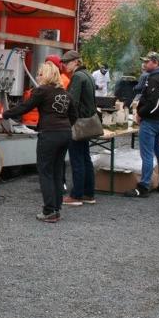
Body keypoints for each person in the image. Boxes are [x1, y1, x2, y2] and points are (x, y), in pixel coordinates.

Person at [0, 61, 76, 222]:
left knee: (45, 171)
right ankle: (56, 208)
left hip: (49, 134)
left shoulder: (42, 91)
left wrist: (4, 115)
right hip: (65, 133)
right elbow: (74, 115)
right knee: (57, 172)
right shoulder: (66, 94)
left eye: (39, 74)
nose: (37, 77)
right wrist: (64, 126)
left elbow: (25, 107)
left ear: (45, 75)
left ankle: (49, 211)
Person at [125, 52, 159, 198]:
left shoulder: (154, 79)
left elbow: (153, 103)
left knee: (147, 154)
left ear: (155, 63)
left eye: (147, 62)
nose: (144, 64)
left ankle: (144, 186)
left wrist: (140, 114)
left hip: (151, 122)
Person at [61, 50, 97, 206]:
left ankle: (76, 195)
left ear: (76, 61)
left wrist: (66, 120)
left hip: (78, 123)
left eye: (67, 62)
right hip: (88, 122)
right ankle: (89, 194)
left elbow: (72, 102)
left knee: (77, 160)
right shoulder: (88, 75)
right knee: (85, 158)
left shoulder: (77, 77)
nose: (64, 65)